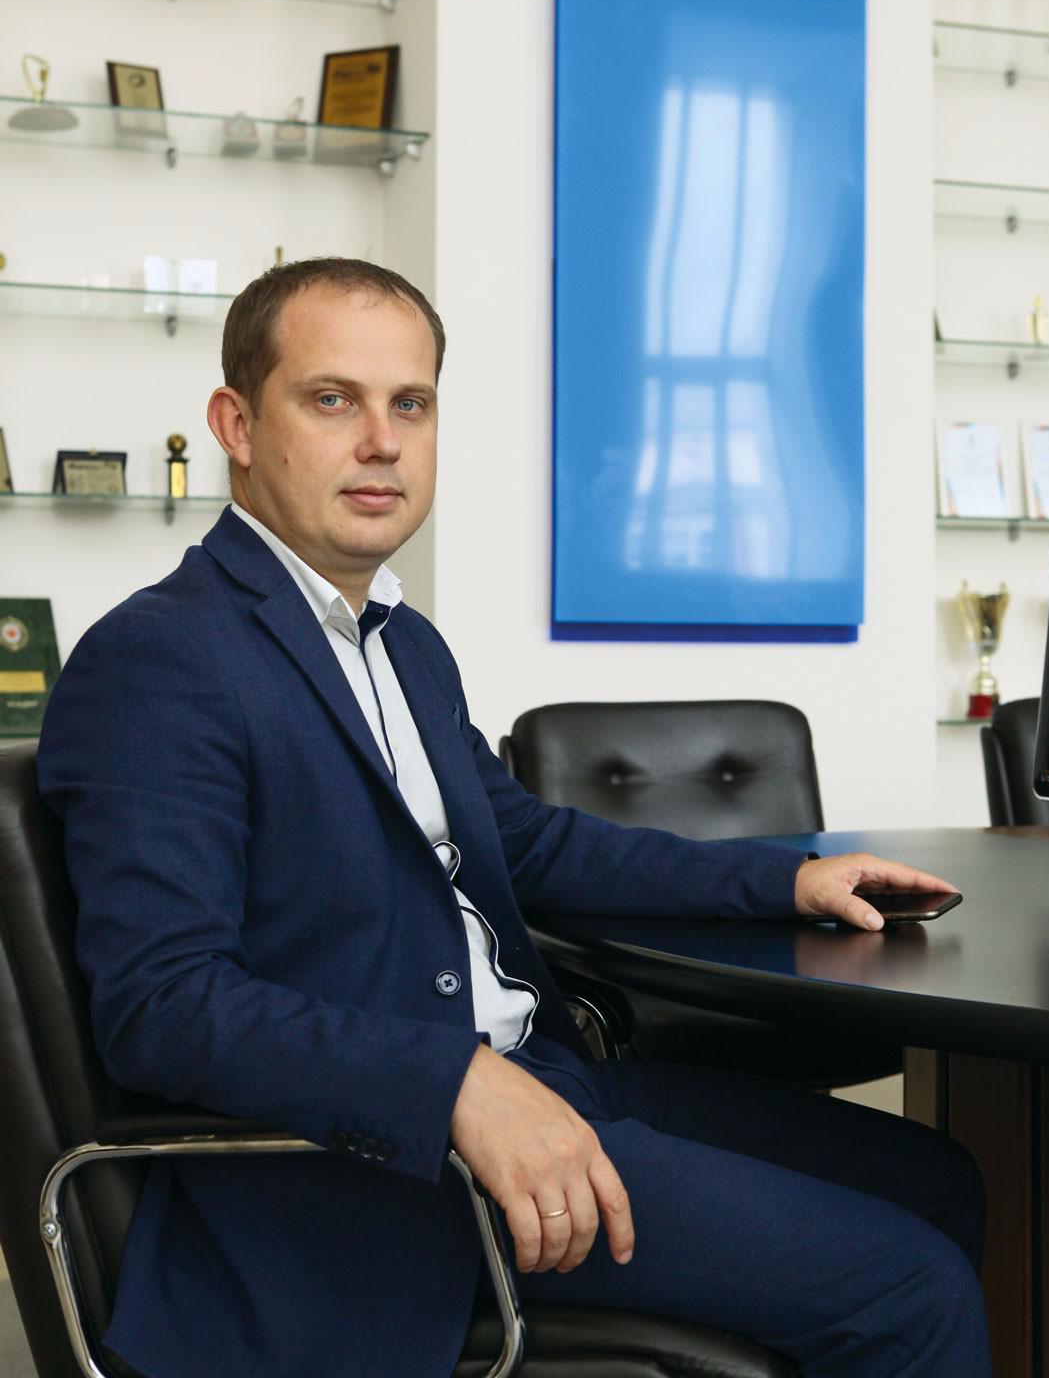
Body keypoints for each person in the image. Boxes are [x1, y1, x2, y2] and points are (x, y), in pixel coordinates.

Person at [38, 258, 991, 1378]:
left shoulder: (402, 643)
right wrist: (451, 1080)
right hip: (374, 1171)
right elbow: (164, 1004)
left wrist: (780, 879)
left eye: (411, 403)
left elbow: (527, 841)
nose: (382, 442)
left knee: (942, 1182)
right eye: (332, 399)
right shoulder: (161, 657)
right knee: (908, 1289)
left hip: (541, 1078)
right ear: (236, 425)